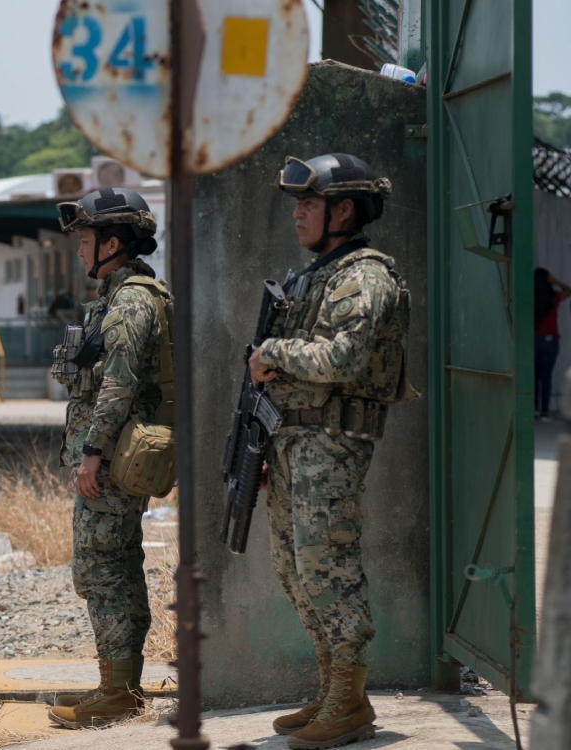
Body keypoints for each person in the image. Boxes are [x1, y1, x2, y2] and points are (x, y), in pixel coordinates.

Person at [248, 154, 416, 749]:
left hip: (333, 441)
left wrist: (272, 352)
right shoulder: (317, 272)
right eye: (298, 204)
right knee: (296, 570)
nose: (297, 215)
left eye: (309, 204)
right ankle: (333, 688)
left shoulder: (363, 276)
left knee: (328, 569)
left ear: (344, 210)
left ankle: (348, 698)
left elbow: (340, 358)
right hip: (297, 440)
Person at [46, 188, 174, 729]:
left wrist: (91, 455)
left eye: (86, 240)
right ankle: (119, 684)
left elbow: (117, 388)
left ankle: (116, 691)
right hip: (121, 454)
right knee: (117, 566)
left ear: (113, 243)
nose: (78, 250)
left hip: (115, 457)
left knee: (101, 569)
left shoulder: (130, 302)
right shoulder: (124, 295)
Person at [534, 268, 569, 420]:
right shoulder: (553, 297)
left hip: (534, 340)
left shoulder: (531, 298)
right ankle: (544, 411)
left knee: (533, 376)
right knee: (546, 377)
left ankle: (534, 408)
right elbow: (568, 290)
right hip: (550, 341)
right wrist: (555, 281)